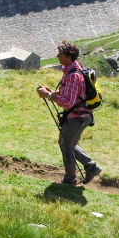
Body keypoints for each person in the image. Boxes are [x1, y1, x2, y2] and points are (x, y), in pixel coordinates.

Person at [36, 41, 102, 186]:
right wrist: (52, 92)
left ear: (68, 56)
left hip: (76, 117)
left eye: (60, 54)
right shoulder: (75, 69)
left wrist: (47, 96)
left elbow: (68, 102)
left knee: (66, 146)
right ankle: (91, 167)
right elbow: (72, 94)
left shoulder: (72, 75)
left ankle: (70, 180)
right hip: (81, 116)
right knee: (67, 143)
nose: (57, 56)